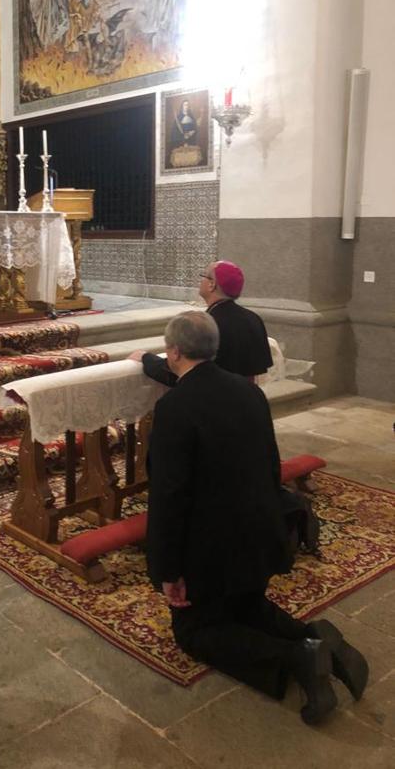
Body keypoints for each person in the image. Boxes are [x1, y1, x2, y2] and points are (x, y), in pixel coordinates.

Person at [146, 311, 368, 724]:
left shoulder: (176, 406)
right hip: (259, 533)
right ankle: (315, 636)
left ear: (174, 352)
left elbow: (169, 496)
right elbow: (271, 466)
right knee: (245, 605)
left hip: (210, 547)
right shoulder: (248, 392)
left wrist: (168, 568)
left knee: (195, 631)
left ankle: (297, 656)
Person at [134, 259, 273, 386]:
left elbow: (183, 371)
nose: (201, 281)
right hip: (245, 402)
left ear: (212, 285)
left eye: (204, 276)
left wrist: (146, 359)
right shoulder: (254, 319)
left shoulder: (203, 325)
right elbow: (255, 372)